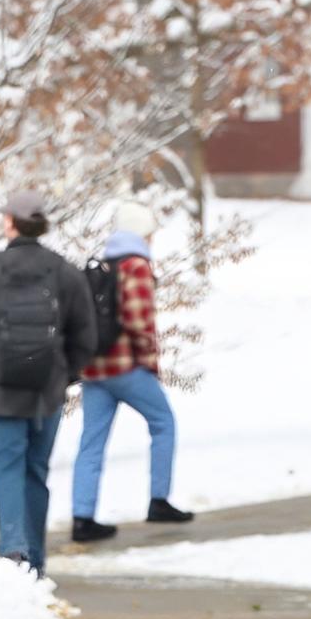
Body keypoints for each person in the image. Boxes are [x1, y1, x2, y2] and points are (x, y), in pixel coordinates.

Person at [0, 185, 98, 575]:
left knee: (6, 469)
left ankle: (13, 549)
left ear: (10, 224)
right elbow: (86, 336)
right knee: (36, 471)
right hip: (46, 392)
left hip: (0, 392)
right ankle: (36, 562)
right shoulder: (64, 272)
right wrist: (64, 375)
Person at [69, 197, 192, 543]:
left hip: (94, 370)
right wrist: (150, 364)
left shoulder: (105, 265)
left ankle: (82, 518)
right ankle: (159, 500)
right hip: (124, 368)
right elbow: (140, 322)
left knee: (91, 443)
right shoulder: (136, 266)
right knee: (163, 422)